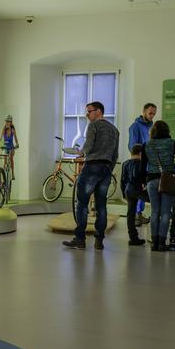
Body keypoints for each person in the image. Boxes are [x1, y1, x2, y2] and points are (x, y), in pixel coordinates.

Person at [62, 101, 120, 251]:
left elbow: (88, 146)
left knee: (82, 204)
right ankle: (99, 241)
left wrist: (81, 153)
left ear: (99, 111)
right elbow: (115, 154)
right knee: (101, 206)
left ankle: (80, 239)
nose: (87, 115)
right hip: (106, 169)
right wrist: (108, 168)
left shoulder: (94, 125)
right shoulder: (115, 130)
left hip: (92, 166)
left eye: (89, 111)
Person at [141, 120, 175, 252]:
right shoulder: (172, 143)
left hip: (152, 180)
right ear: (167, 130)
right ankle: (162, 243)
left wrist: (143, 181)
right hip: (169, 179)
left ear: (153, 131)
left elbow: (142, 167)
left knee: (154, 211)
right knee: (165, 212)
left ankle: (154, 243)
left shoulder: (146, 144)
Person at [128, 103, 157, 225]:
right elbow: (132, 145)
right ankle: (136, 215)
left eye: (154, 114)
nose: (152, 116)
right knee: (139, 188)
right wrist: (140, 155)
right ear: (144, 112)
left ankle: (139, 214)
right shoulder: (135, 126)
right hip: (139, 161)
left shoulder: (153, 126)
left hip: (150, 162)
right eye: (150, 113)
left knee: (145, 188)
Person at [121, 144, 146, 246]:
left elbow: (122, 180)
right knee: (156, 207)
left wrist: (123, 193)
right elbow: (142, 177)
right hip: (139, 190)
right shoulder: (142, 163)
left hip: (128, 190)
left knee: (130, 214)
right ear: (140, 153)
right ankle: (155, 237)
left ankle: (133, 237)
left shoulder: (125, 163)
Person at [0, 115, 19, 180]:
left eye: (8, 122)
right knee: (5, 161)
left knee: (11, 158)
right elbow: (0, 138)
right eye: (6, 122)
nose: (7, 123)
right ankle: (3, 176)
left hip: (11, 147)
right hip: (5, 147)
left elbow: (16, 139)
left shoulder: (13, 130)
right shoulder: (4, 130)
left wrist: (17, 144)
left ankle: (13, 174)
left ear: (11, 123)